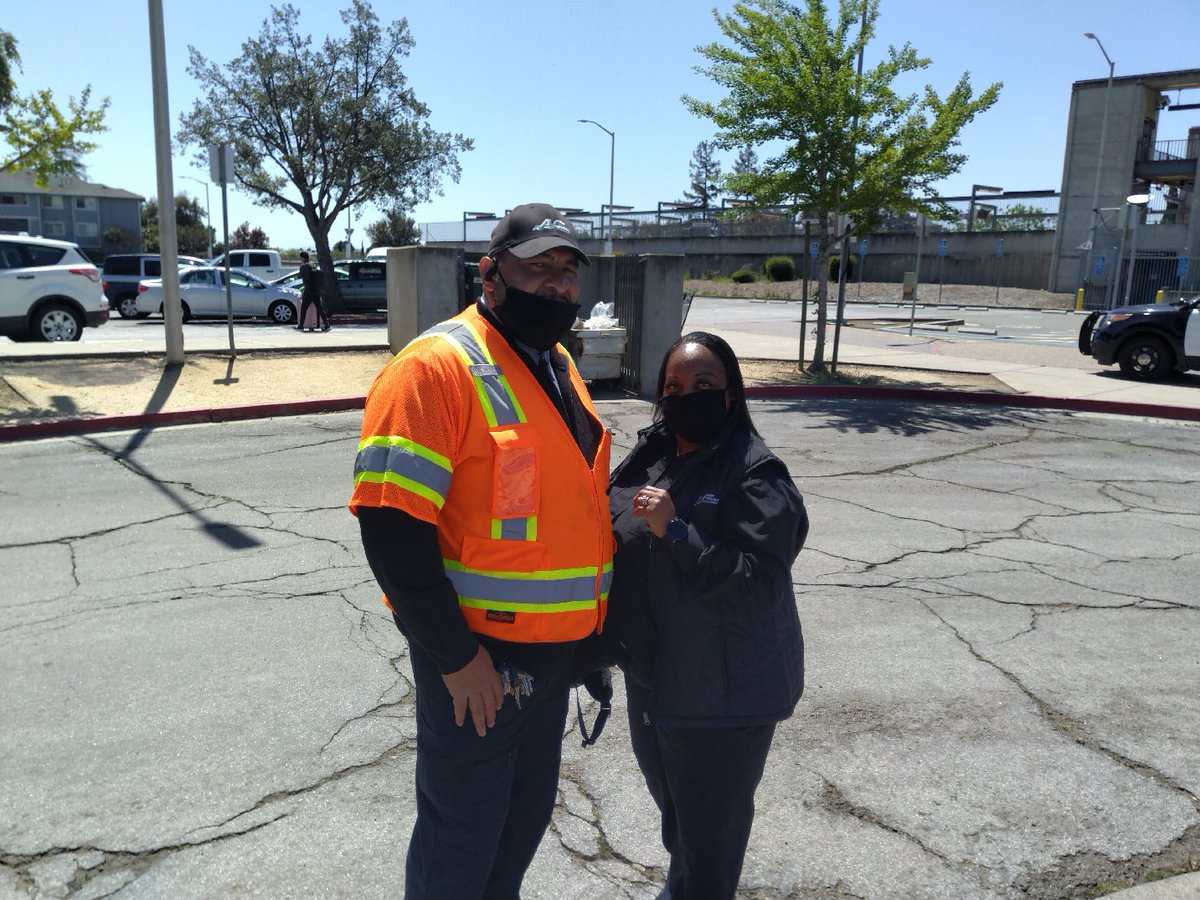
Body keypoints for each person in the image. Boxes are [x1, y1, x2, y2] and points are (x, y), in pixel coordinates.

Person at [348, 203, 613, 899]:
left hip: (548, 662)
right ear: (489, 275)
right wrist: (458, 662)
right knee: (459, 849)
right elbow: (391, 530)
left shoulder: (553, 361)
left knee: (517, 835)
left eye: (566, 271)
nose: (556, 285)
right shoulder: (433, 370)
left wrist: (586, 638)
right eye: (537, 268)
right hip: (478, 667)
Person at [605, 330, 808, 900]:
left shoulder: (755, 475)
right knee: (683, 834)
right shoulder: (654, 453)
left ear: (731, 395)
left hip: (723, 699)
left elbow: (760, 584)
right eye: (673, 385)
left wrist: (676, 532)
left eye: (703, 385)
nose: (684, 395)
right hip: (657, 683)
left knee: (709, 853)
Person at [296, 250, 330, 332]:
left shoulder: (303, 266)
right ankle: (326, 323)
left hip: (308, 291)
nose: (300, 259)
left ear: (303, 258)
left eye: (300, 258)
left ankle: (301, 325)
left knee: (304, 308)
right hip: (316, 290)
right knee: (320, 308)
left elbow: (299, 276)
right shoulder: (313, 265)